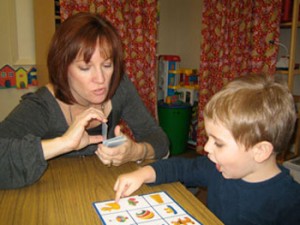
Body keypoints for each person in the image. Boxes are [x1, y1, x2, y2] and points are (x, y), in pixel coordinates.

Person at [0, 12, 169, 189]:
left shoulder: (120, 87)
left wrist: (136, 151)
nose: (101, 78)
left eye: (107, 65)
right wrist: (63, 143)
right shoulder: (41, 106)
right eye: (85, 67)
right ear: (62, 68)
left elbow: (159, 139)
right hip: (55, 194)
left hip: (106, 186)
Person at [114, 74, 300, 225]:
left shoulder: (290, 202)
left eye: (218, 143)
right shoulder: (217, 167)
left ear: (260, 151)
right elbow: (180, 167)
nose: (207, 147)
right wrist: (143, 174)